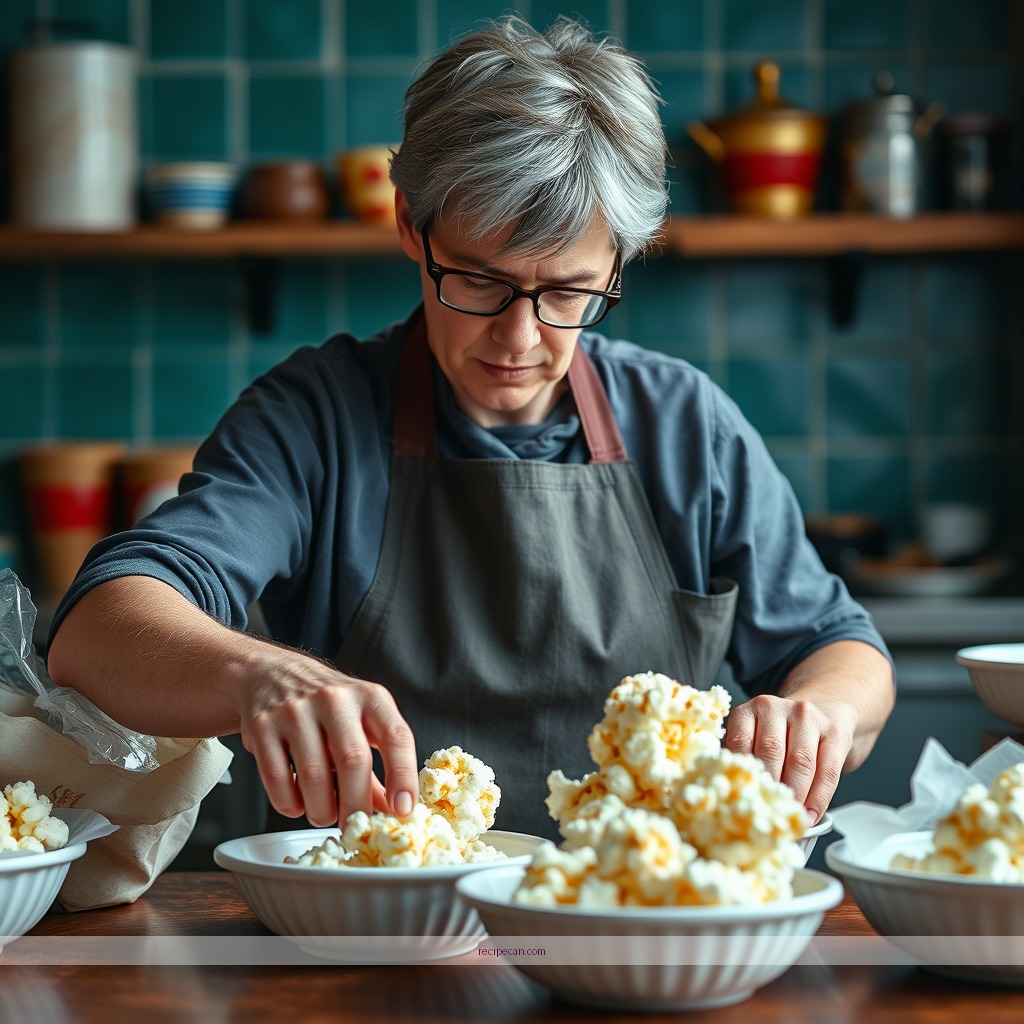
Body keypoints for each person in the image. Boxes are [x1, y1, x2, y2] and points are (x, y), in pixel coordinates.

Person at [46, 15, 894, 841]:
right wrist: (259, 675)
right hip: (380, 934)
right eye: (480, 283)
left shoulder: (685, 427)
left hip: (632, 926)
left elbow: (839, 647)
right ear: (412, 227)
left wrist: (818, 713)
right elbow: (96, 629)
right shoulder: (314, 418)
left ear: (619, 262)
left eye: (568, 294)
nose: (520, 339)